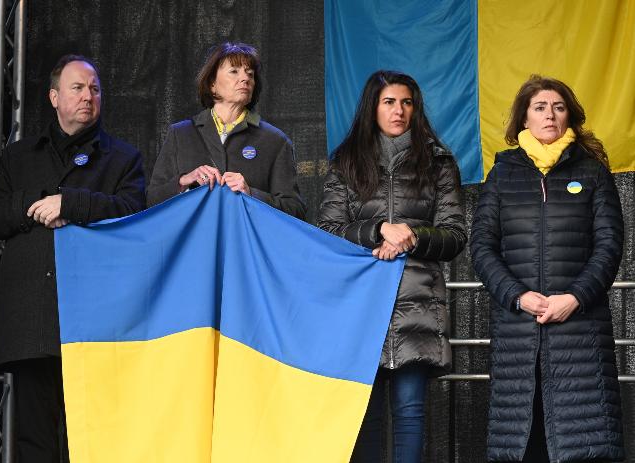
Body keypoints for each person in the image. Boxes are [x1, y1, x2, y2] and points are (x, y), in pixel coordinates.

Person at [0, 54, 146, 462]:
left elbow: (135, 213)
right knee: (33, 441)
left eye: (95, 89)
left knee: (89, 439)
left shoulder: (123, 158)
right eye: (77, 88)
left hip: (94, 319)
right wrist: (36, 203)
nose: (88, 96)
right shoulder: (20, 156)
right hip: (31, 321)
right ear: (54, 97)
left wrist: (70, 203)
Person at [470, 75, 624, 462]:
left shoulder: (592, 173)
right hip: (518, 335)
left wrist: (574, 298)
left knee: (582, 447)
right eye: (539, 107)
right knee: (524, 445)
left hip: (581, 332)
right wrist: (518, 296)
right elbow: (483, 247)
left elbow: (609, 247)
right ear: (524, 119)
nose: (549, 115)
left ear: (569, 115)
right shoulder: (502, 175)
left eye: (558, 107)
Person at [317, 70, 467, 463]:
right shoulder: (346, 161)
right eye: (389, 102)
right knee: (362, 415)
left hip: (417, 301)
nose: (399, 110)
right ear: (373, 107)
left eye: (406, 102)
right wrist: (378, 231)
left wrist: (412, 237)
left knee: (410, 412)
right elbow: (328, 230)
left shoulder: (438, 162)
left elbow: (455, 235)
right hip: (360, 304)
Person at [146, 42, 306, 219]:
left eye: (250, 74)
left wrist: (251, 194)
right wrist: (183, 181)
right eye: (234, 71)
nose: (245, 78)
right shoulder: (180, 134)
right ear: (212, 83)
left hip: (245, 245)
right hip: (194, 244)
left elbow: (296, 211)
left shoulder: (276, 141)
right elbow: (151, 200)